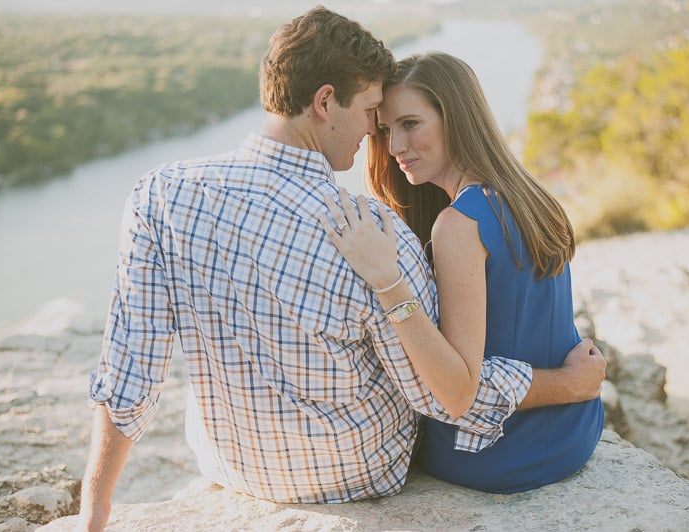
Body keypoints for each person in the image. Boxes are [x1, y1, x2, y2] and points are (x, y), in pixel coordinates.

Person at [77, 8, 605, 530]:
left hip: (230, 466)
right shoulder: (371, 234)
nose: (379, 133)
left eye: (401, 123)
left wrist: (95, 506)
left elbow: (130, 371)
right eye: (375, 112)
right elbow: (443, 395)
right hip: (358, 474)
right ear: (326, 101)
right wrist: (568, 385)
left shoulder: (161, 193)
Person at [321, 51, 605, 493]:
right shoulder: (529, 195)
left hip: (499, 453)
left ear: (456, 117)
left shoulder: (457, 225)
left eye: (411, 124)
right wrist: (572, 386)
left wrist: (387, 282)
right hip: (576, 433)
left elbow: (458, 393)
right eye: (386, 130)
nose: (395, 146)